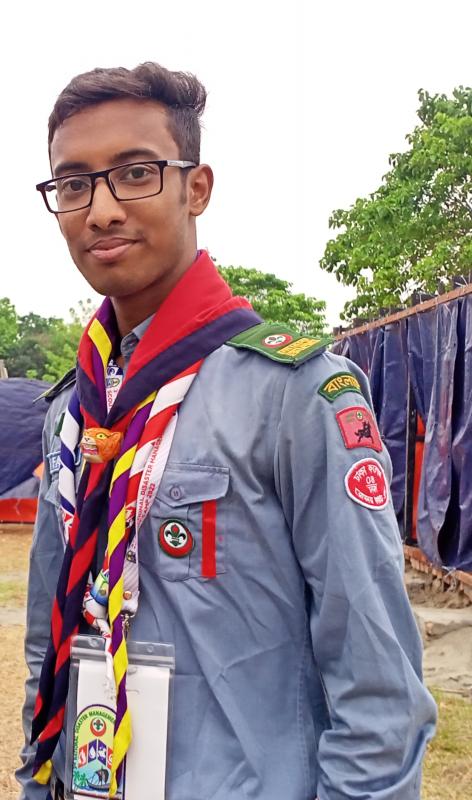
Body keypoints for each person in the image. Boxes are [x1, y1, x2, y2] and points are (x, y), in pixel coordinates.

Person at [18, 62, 436, 800]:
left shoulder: (296, 394)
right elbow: (47, 641)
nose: (101, 210)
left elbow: (378, 690)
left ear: (197, 188)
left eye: (135, 173)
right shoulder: (72, 415)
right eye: (74, 184)